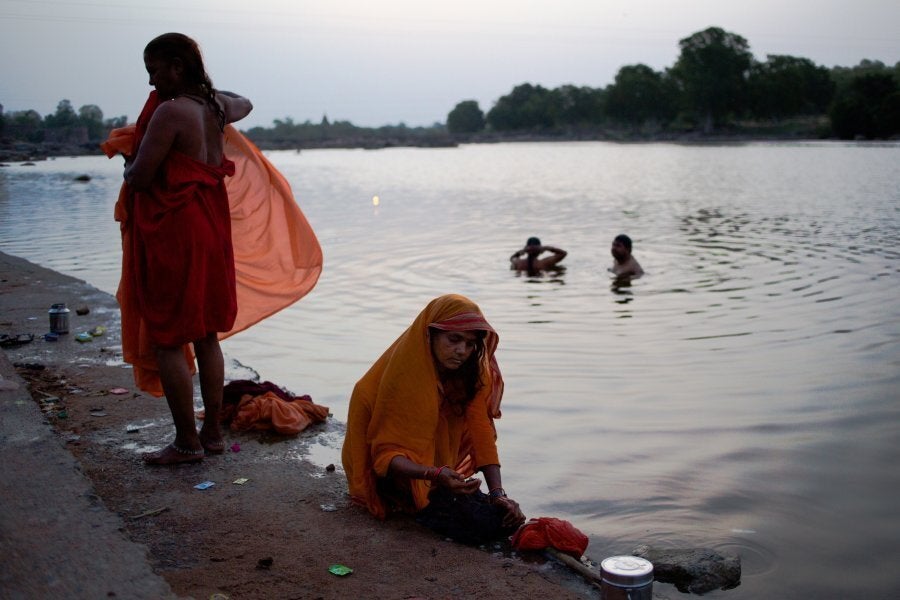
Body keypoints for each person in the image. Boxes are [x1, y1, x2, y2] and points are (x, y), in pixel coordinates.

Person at [121, 33, 252, 465]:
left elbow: (140, 177)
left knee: (168, 336)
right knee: (206, 333)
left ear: (177, 66)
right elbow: (245, 101)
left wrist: (128, 157)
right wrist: (207, 90)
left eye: (155, 71)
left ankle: (185, 442)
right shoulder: (214, 108)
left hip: (175, 229)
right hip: (211, 226)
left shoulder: (170, 113)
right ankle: (211, 433)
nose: (152, 83)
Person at [342, 294, 526, 545]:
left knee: (503, 518)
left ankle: (436, 491)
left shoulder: (471, 373)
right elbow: (384, 457)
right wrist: (434, 474)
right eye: (454, 339)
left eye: (470, 344)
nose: (461, 351)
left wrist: (498, 494)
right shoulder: (406, 377)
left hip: (433, 472)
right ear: (430, 335)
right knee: (475, 526)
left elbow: (481, 433)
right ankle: (418, 497)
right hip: (386, 473)